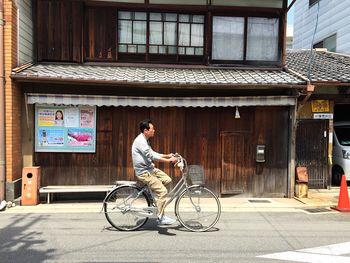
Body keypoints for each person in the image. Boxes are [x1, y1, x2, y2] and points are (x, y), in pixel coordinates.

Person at [131, 119, 177, 225]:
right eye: (152, 129)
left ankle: (149, 193)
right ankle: (161, 217)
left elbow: (152, 152)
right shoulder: (140, 141)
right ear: (146, 130)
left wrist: (167, 155)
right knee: (163, 192)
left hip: (150, 169)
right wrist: (168, 160)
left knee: (167, 179)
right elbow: (151, 156)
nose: (154, 130)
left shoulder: (145, 140)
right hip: (144, 172)